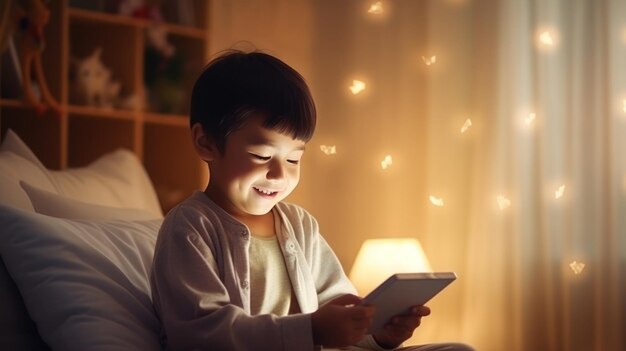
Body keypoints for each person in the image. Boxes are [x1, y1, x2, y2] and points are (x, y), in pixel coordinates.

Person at [150, 49, 474, 351]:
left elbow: (339, 307)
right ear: (206, 142)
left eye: (293, 160)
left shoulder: (299, 226)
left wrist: (376, 334)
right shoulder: (190, 228)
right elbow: (203, 334)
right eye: (261, 155)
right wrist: (311, 331)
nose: (279, 174)